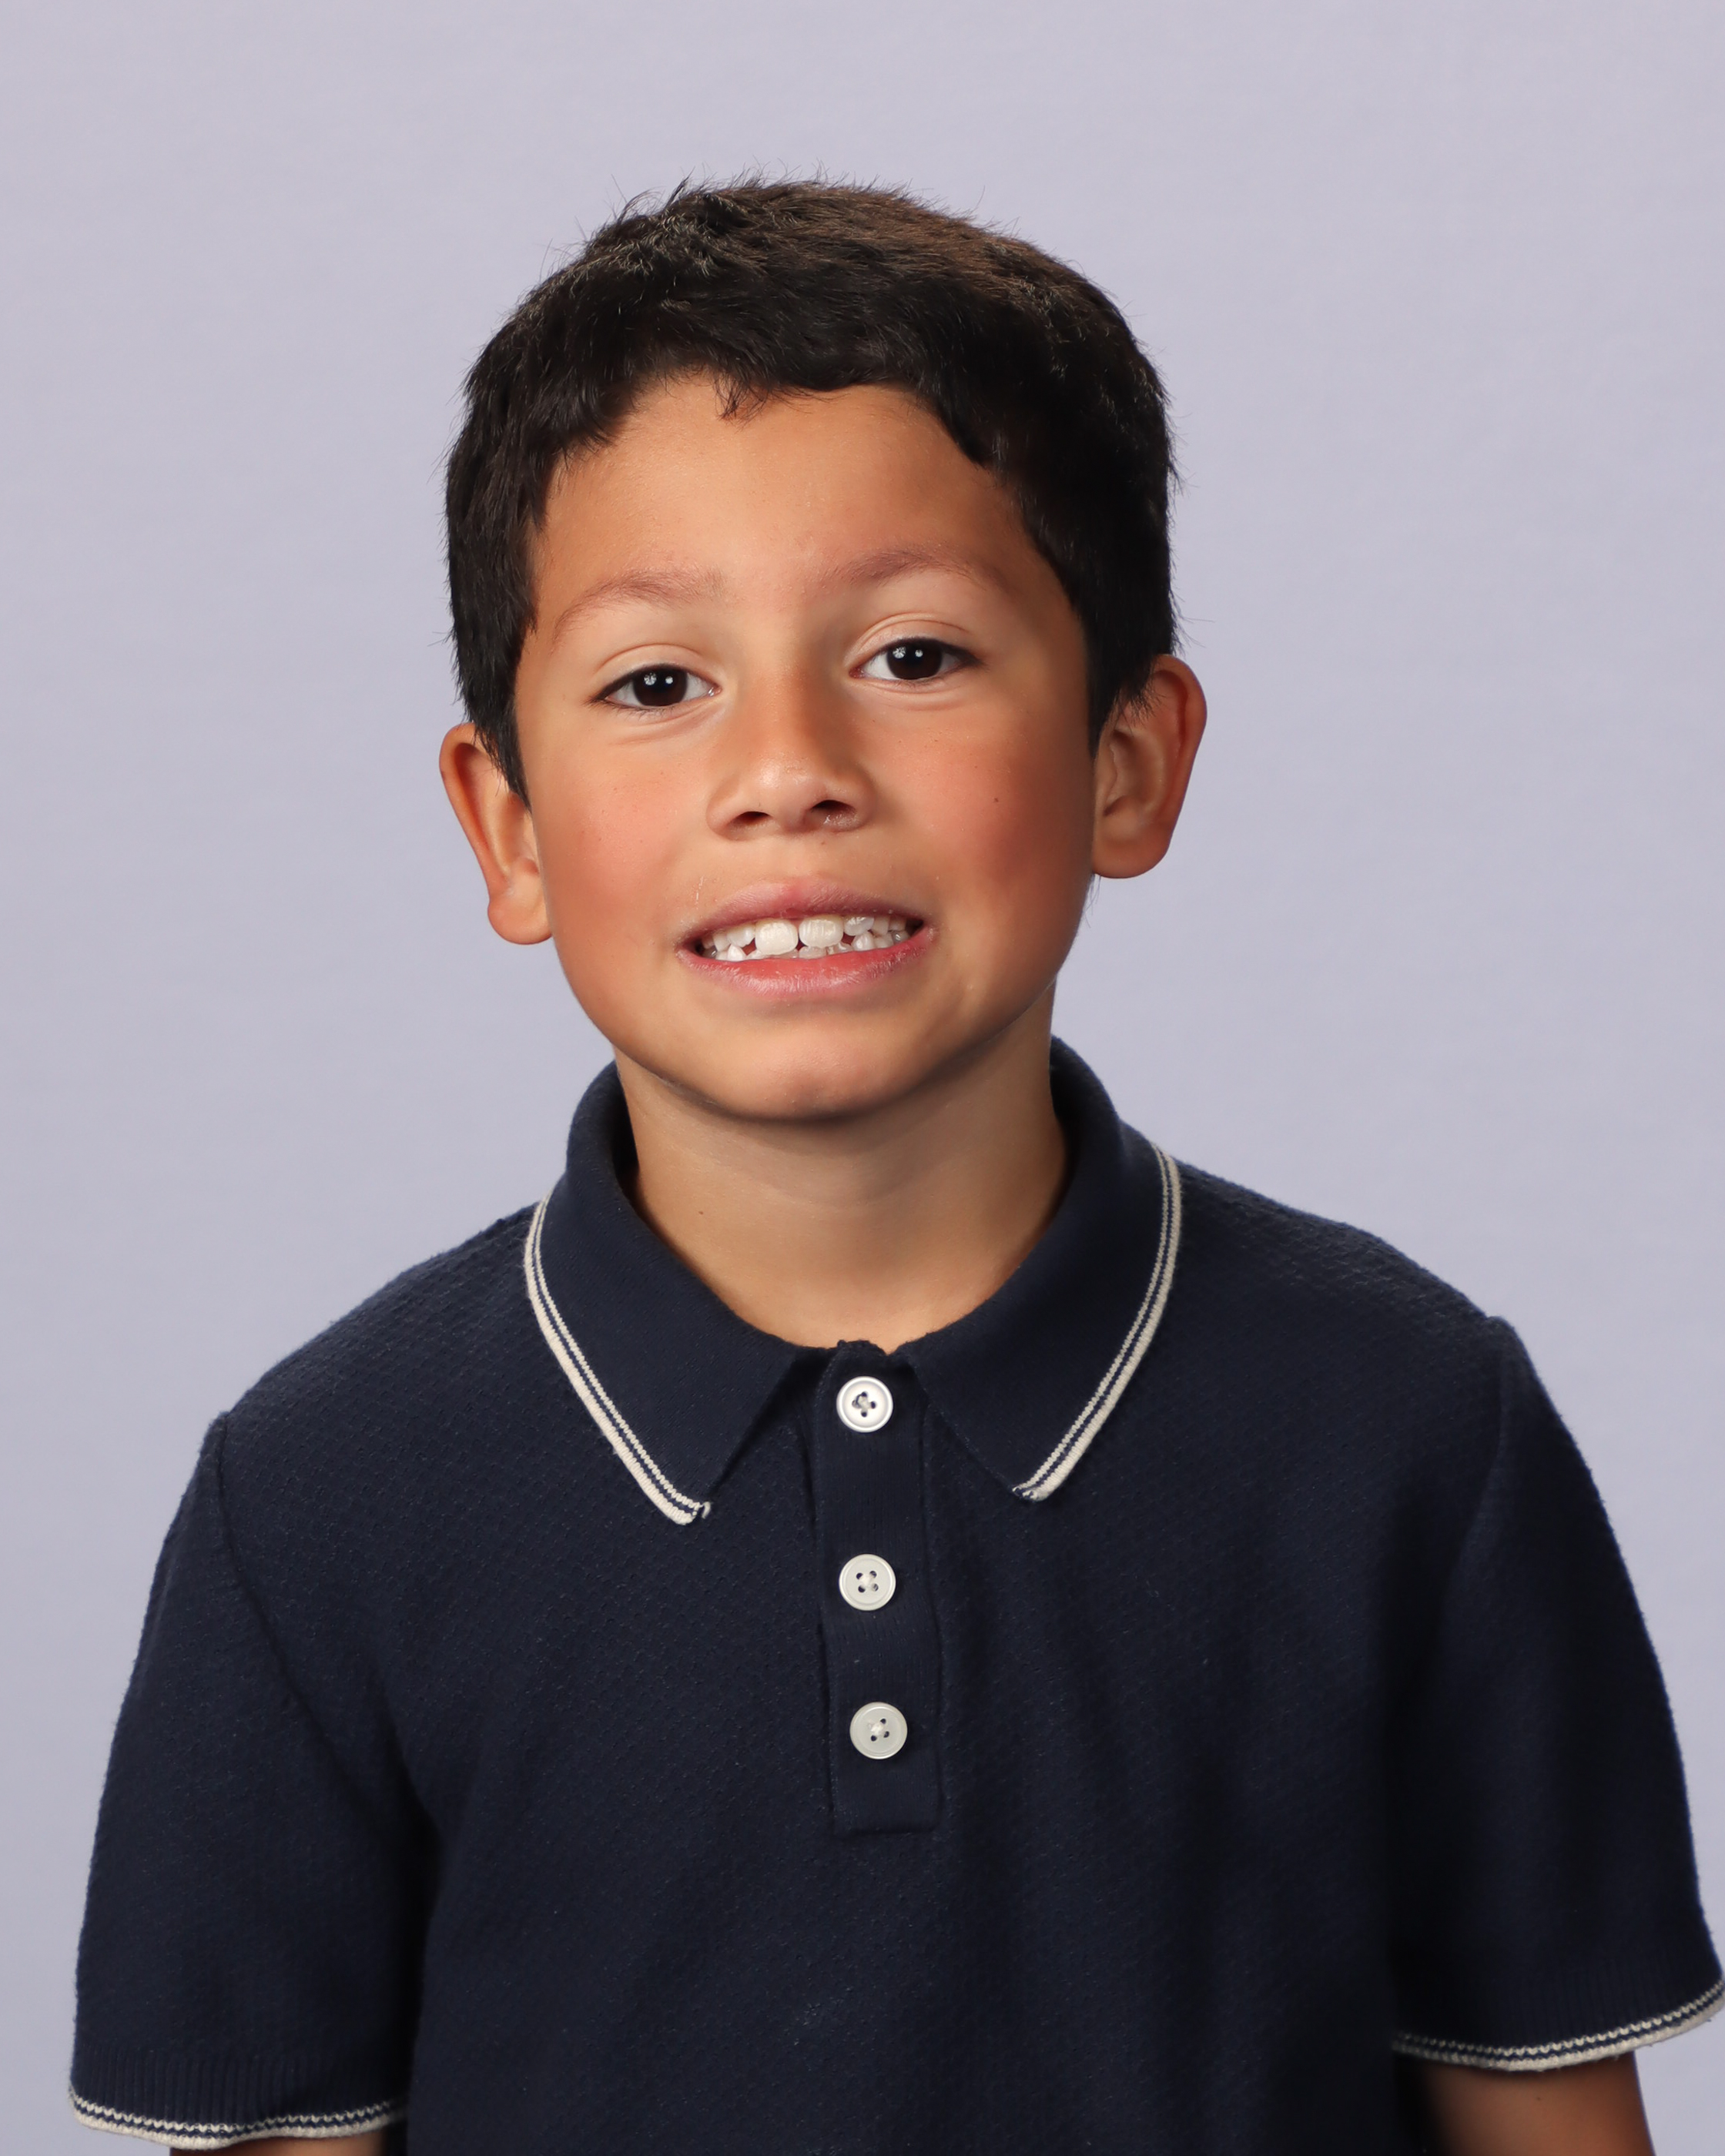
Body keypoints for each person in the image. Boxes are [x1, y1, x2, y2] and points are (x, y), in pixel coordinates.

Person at [71, 182, 1717, 2155]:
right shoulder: (318, 1505)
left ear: (1126, 760)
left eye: (915, 654)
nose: (789, 768)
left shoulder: (1416, 1431)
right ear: (504, 826)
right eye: (657, 683)